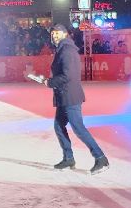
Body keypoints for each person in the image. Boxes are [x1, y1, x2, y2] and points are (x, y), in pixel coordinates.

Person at [30, 23, 109, 174]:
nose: (54, 35)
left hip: (70, 96)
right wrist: (50, 81)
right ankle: (68, 159)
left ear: (65, 34)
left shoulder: (67, 50)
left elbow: (68, 75)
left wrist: (50, 82)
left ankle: (100, 158)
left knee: (78, 128)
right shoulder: (62, 49)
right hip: (63, 96)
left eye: (57, 33)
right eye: (52, 33)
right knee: (59, 126)